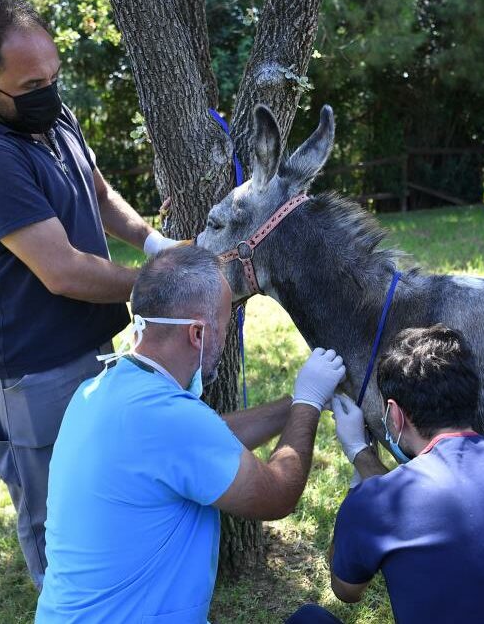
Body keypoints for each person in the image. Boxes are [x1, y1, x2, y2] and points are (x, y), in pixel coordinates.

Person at [0, 0, 177, 588]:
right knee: (54, 512)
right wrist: (164, 284)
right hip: (30, 367)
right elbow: (64, 272)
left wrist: (154, 245)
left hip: (87, 341)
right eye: (31, 83)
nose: (48, 90)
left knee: (100, 480)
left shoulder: (41, 110)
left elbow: (93, 189)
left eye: (54, 76)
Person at [37, 245, 346, 622]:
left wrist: (292, 403)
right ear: (198, 333)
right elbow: (277, 495)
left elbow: (209, 441)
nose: (227, 336)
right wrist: (308, 405)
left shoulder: (99, 392)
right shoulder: (170, 422)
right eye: (226, 324)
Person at [289, 325, 484, 624]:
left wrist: (357, 468)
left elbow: (346, 590)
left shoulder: (375, 503)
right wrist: (360, 453)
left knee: (307, 620)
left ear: (394, 413)